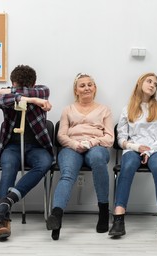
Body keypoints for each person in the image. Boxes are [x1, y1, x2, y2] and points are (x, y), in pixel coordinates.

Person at [0, 64, 53, 240]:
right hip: (12, 147)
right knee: (8, 167)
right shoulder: (8, 98)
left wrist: (8, 91)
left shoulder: (42, 91)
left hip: (37, 147)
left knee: (45, 163)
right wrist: (33, 101)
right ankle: (3, 220)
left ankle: (8, 200)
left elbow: (37, 93)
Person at [46, 73, 114, 240]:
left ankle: (104, 212)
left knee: (98, 160)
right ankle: (57, 216)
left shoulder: (104, 110)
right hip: (72, 147)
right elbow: (61, 136)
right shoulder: (67, 110)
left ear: (95, 88)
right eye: (82, 85)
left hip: (96, 146)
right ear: (76, 90)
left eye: (90, 85)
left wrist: (91, 143)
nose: (86, 88)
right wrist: (75, 145)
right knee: (68, 173)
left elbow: (110, 138)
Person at [108, 72, 157, 241]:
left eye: (155, 84)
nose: (152, 85)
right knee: (127, 166)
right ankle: (118, 219)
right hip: (133, 149)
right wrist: (137, 147)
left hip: (156, 149)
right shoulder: (127, 109)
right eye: (149, 81)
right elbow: (121, 139)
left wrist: (149, 150)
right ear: (140, 83)